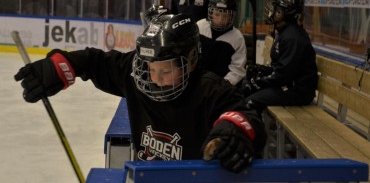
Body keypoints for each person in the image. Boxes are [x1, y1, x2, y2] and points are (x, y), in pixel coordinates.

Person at [14, 13, 266, 173]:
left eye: (165, 70)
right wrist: (58, 67)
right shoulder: (135, 75)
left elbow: (244, 114)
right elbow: (95, 61)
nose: (154, 78)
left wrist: (233, 131)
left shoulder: (210, 89)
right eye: (149, 68)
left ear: (190, 61)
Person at [243, 0, 318, 114]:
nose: (272, 13)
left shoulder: (293, 37)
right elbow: (280, 67)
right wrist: (262, 71)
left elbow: (283, 75)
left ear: (287, 14)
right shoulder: (285, 32)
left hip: (297, 91)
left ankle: (257, 131)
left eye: (277, 11)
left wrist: (259, 82)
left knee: (250, 101)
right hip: (288, 84)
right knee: (244, 87)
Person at [197, 0, 246, 86]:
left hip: (222, 85)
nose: (220, 20)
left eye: (225, 16)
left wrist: (222, 85)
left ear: (231, 16)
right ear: (211, 12)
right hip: (198, 81)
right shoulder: (200, 27)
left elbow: (237, 70)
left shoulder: (237, 38)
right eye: (217, 14)